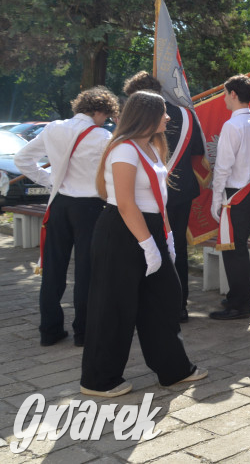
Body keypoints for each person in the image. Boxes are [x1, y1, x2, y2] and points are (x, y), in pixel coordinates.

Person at [80, 91, 206, 397]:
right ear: (147, 115)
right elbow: (125, 204)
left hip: (148, 229)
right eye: (163, 113)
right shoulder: (124, 150)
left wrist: (164, 238)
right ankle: (99, 380)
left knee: (164, 300)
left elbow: (155, 199)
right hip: (123, 231)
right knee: (114, 307)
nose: (167, 117)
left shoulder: (149, 146)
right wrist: (148, 244)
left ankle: (173, 370)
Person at [15, 87, 119, 347]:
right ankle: (83, 332)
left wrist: (50, 181)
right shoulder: (104, 136)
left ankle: (49, 331)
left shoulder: (53, 128)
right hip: (91, 207)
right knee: (87, 271)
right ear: (98, 110)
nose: (105, 119)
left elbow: (22, 159)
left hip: (60, 202)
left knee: (53, 269)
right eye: (105, 114)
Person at [123, 71, 206, 323]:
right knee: (176, 247)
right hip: (181, 192)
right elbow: (198, 153)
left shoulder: (139, 119)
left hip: (146, 191)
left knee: (143, 245)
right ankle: (178, 306)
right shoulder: (188, 115)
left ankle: (145, 304)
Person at [209, 75, 250, 319]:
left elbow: (222, 167)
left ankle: (241, 305)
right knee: (236, 247)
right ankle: (239, 296)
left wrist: (216, 199)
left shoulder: (232, 125)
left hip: (236, 194)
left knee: (233, 249)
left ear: (233, 94)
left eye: (224, 94)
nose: (223, 99)